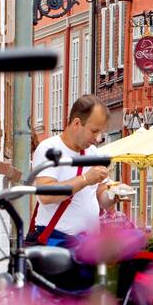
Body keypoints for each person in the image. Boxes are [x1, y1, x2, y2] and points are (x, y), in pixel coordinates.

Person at [29, 95, 114, 246]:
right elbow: (46, 194)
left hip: (89, 244)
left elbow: (101, 196)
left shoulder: (93, 152)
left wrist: (114, 195)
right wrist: (85, 179)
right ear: (76, 123)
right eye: (94, 131)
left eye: (100, 132)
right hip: (58, 241)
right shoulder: (49, 149)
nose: (98, 138)